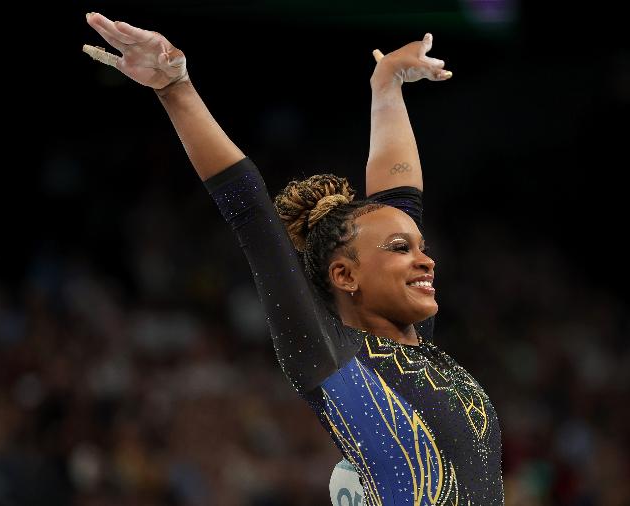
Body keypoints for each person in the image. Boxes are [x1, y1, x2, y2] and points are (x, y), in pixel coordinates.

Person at [84, 12, 503, 504]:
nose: (425, 260)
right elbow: (253, 217)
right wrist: (176, 88)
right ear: (345, 275)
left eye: (421, 246)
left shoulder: (418, 351)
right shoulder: (332, 358)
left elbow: (402, 196)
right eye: (400, 249)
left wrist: (387, 86)